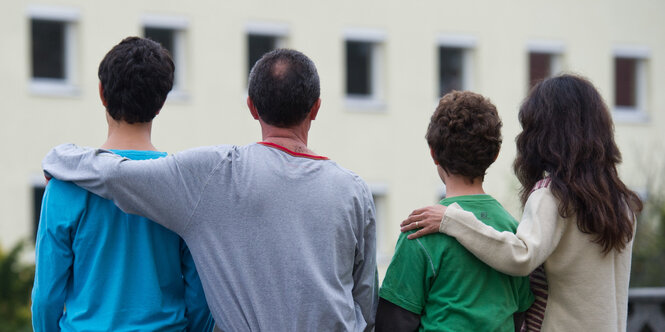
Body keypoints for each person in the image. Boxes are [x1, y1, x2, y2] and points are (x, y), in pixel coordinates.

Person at [42, 48, 378, 331]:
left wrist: (60, 158)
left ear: (251, 106)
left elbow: (115, 175)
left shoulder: (213, 176)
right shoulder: (356, 191)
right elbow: (366, 299)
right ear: (316, 108)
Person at [400, 74, 643, 331]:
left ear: (546, 133)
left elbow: (521, 256)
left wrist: (452, 220)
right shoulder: (621, 203)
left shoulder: (553, 196)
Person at [31, 37, 214, 331]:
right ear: (161, 102)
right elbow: (202, 294)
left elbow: (46, 297)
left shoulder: (63, 186)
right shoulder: (184, 188)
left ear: (102, 93)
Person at [376, 91, 534, 331]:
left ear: (433, 153)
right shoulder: (515, 234)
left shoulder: (419, 232)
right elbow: (521, 315)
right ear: (495, 155)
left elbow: (393, 323)